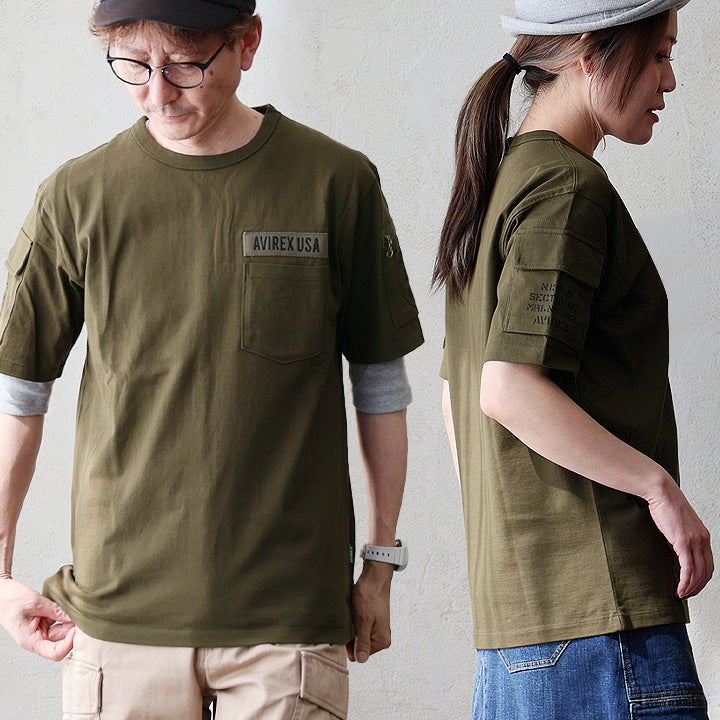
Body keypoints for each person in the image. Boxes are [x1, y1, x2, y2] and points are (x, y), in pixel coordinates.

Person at [0, 1, 423, 717]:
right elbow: (19, 394)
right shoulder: (76, 196)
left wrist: (379, 565)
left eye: (184, 66)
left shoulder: (336, 183)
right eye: (134, 65)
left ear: (246, 43)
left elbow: (381, 387)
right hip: (118, 618)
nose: (158, 93)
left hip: (287, 619)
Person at [434, 1, 713, 718]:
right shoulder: (567, 188)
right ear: (590, 55)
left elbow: (457, 396)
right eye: (659, 55)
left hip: (519, 637)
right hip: (602, 631)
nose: (669, 80)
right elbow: (507, 388)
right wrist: (658, 488)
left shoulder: (497, 184)